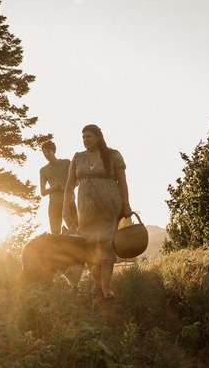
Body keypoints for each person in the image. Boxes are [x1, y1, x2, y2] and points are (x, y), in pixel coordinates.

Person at [63, 124, 132, 299]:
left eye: (89, 136)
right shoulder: (78, 158)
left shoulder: (113, 155)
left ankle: (106, 288)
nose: (85, 140)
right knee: (87, 244)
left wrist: (126, 205)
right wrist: (65, 207)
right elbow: (69, 185)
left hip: (109, 206)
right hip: (86, 210)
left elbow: (123, 182)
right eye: (83, 137)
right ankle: (98, 281)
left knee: (106, 242)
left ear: (98, 137)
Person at [39, 140, 72, 234]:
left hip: (70, 202)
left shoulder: (66, 163)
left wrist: (64, 188)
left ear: (54, 151)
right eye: (44, 152)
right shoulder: (43, 170)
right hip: (54, 204)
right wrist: (54, 188)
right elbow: (43, 192)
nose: (46, 154)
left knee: (75, 231)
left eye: (48, 151)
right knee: (55, 234)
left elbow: (77, 182)